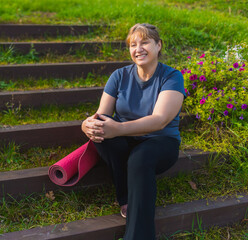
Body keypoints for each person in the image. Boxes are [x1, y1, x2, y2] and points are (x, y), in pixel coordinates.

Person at [81, 23, 185, 240]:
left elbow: (160, 120)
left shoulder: (172, 77)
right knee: (101, 133)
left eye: (145, 42)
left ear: (158, 45)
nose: (138, 49)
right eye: (133, 44)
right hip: (125, 140)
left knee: (140, 158)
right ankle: (126, 199)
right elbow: (101, 115)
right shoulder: (119, 76)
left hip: (160, 142)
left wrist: (118, 128)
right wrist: (87, 125)